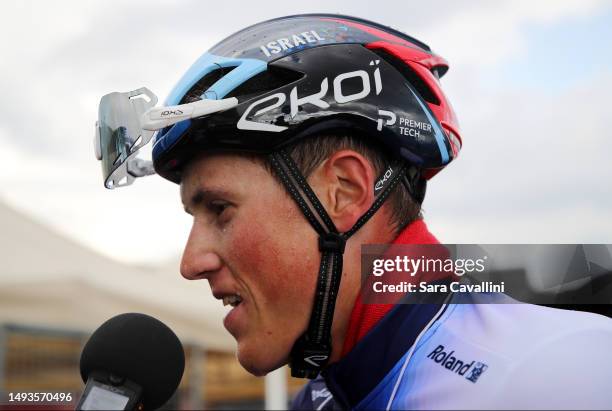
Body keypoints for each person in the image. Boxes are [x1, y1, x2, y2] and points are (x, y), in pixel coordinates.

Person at [95, 14, 612, 410]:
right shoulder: (324, 392)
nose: (191, 262)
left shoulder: (559, 374)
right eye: (194, 216)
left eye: (220, 209)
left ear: (344, 190)